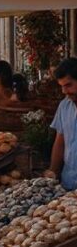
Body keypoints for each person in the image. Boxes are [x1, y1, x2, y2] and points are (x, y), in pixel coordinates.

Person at [50, 58, 77, 190]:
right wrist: (53, 174)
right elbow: (59, 142)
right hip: (68, 183)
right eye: (61, 86)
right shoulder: (64, 106)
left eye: (68, 85)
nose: (64, 91)